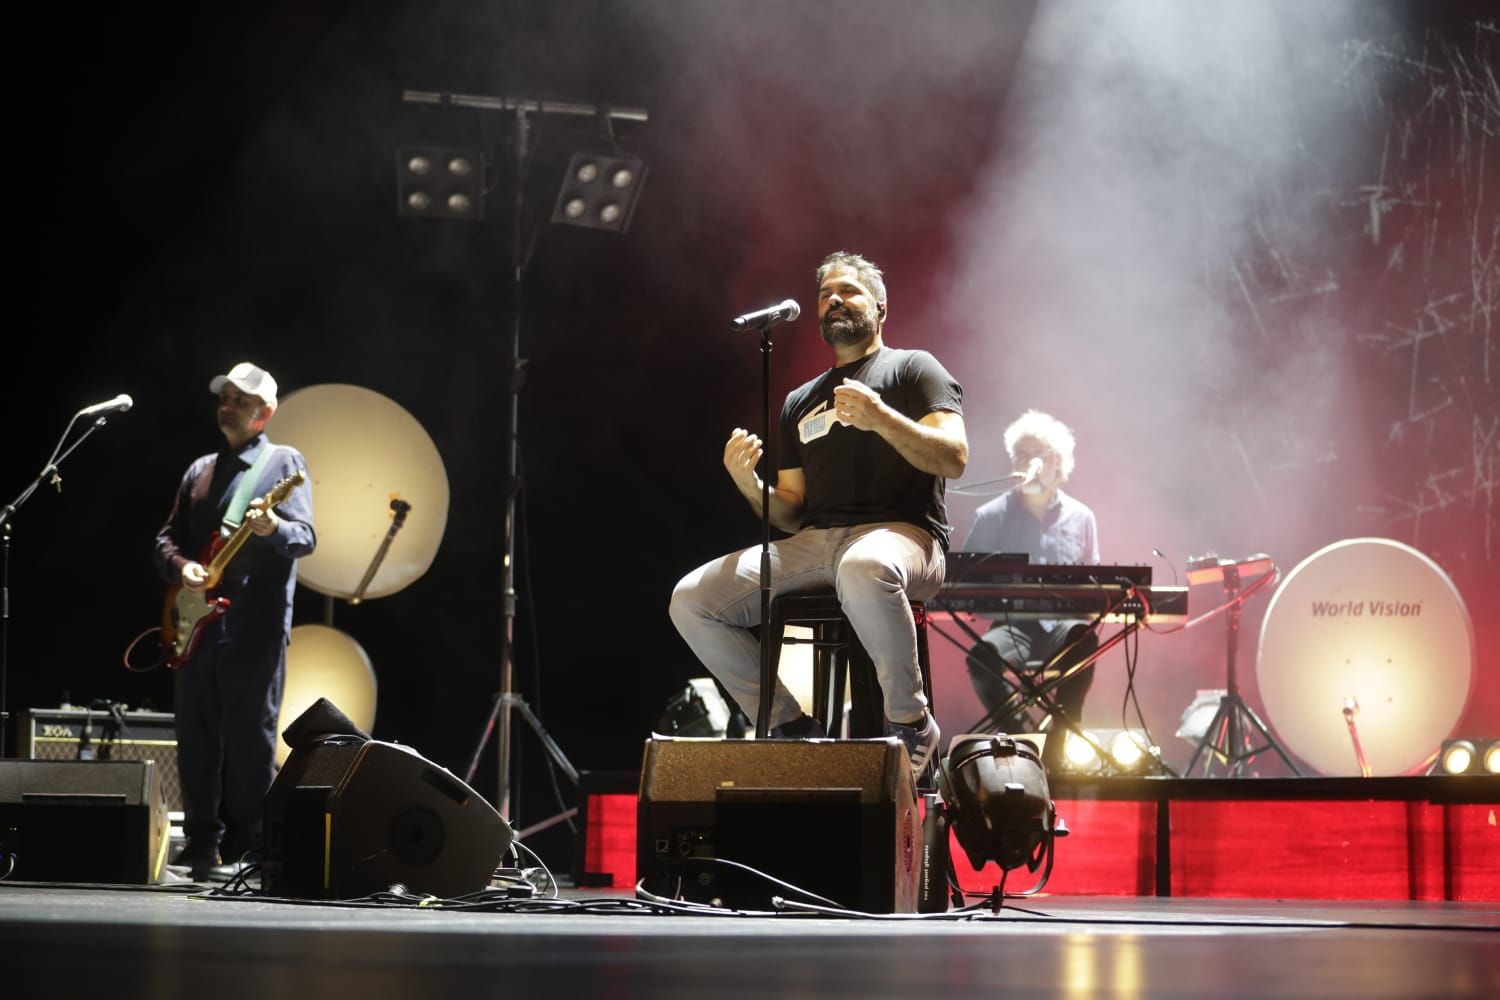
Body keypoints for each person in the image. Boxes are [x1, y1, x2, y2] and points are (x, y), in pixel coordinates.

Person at [669, 251, 967, 781]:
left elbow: (953, 457)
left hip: (905, 538)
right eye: (826, 293)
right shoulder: (800, 401)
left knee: (863, 564)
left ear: (880, 309)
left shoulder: (914, 367)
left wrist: (881, 418)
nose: (835, 299)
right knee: (692, 600)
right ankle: (787, 725)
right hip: (817, 543)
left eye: (849, 291)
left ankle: (911, 721)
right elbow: (789, 513)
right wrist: (750, 486)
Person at [153, 362, 315, 880]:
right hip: (197, 629)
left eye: (241, 400)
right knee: (195, 740)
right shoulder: (199, 469)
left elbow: (304, 539)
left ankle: (256, 851)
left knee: (251, 742)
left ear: (265, 413)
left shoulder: (283, 462)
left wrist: (271, 525)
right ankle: (202, 851)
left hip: (254, 632)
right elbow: (164, 541)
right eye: (225, 396)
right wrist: (185, 568)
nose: (228, 405)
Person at [960, 409, 1100, 773]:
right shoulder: (990, 516)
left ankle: (1059, 741)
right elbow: (962, 582)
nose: (1022, 462)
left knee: (1084, 639)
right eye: (1017, 455)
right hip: (1013, 626)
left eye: (1031, 454)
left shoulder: (1082, 517)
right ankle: (1022, 740)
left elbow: (1095, 585)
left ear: (1055, 461)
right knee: (981, 658)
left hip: (1063, 628)